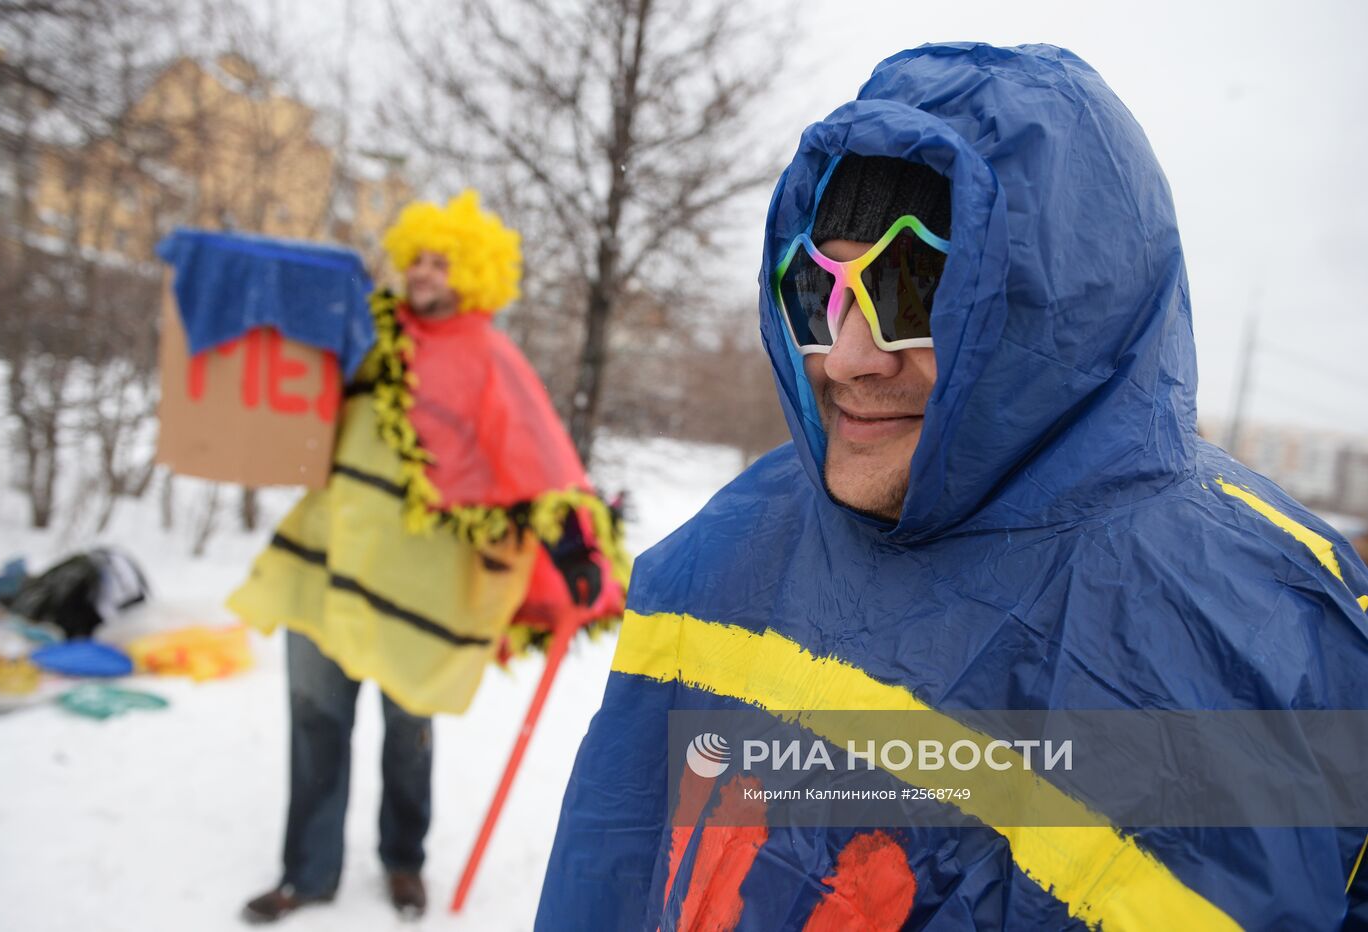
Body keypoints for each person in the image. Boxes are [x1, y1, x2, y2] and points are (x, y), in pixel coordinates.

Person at [536, 43, 1368, 930]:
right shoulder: (726, 553)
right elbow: (610, 869)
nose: (848, 357)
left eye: (915, 289)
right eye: (819, 293)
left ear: (1051, 317)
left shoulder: (1271, 639)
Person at [229, 191, 628, 923]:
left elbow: (537, 457)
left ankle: (403, 863)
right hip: (328, 569)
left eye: (442, 261)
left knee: (407, 739)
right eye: (417, 256)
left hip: (416, 593)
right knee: (316, 725)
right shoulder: (365, 331)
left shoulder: (487, 358)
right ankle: (306, 873)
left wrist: (573, 547)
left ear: (471, 272)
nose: (423, 272)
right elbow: (293, 391)